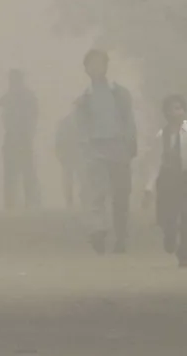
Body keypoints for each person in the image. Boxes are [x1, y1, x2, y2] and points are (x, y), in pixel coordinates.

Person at [73, 49, 138, 254]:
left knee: (120, 195)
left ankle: (120, 236)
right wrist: (85, 146)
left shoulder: (120, 94)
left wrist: (131, 144)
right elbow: (80, 127)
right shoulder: (83, 99)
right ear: (86, 69)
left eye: (100, 63)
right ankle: (98, 232)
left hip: (119, 147)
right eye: (92, 64)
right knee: (96, 194)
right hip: (95, 150)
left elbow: (129, 121)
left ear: (106, 66)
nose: (96, 68)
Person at [143, 94, 187, 268]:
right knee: (168, 215)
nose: (177, 112)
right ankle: (169, 235)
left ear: (184, 110)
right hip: (169, 179)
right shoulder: (162, 135)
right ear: (166, 113)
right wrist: (149, 187)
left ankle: (186, 252)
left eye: (179, 108)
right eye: (172, 109)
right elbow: (155, 161)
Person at [0, 69, 40, 209]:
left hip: (21, 137)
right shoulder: (15, 95)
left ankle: (24, 202)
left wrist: (29, 130)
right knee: (15, 171)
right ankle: (13, 203)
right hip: (15, 137)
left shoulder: (24, 96)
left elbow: (34, 114)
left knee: (23, 171)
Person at [54, 107, 84, 211]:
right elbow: (58, 140)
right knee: (69, 179)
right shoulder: (65, 123)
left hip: (79, 155)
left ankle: (82, 200)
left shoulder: (83, 122)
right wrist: (60, 154)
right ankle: (69, 201)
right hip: (69, 155)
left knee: (81, 178)